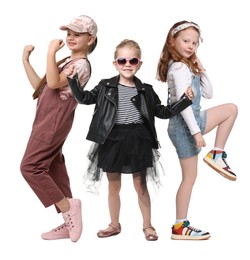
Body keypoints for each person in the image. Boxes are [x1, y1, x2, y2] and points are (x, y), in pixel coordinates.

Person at [65, 39, 193, 241]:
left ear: (139, 64)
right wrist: (72, 80)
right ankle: (114, 224)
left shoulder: (146, 90)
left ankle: (148, 225)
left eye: (133, 60)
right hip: (111, 139)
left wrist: (185, 100)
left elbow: (163, 112)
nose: (127, 64)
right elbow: (84, 99)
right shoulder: (105, 86)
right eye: (122, 60)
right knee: (113, 185)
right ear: (115, 63)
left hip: (138, 140)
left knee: (140, 185)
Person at [156, 21, 238, 240]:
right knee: (189, 178)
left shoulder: (186, 66)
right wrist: (196, 133)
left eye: (194, 42)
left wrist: (201, 70)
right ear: (172, 41)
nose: (191, 46)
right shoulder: (180, 68)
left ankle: (217, 154)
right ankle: (179, 227)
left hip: (194, 119)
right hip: (185, 125)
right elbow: (183, 107)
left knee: (230, 109)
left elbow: (209, 93)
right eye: (186, 41)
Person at [20, 15, 98, 242]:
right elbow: (41, 87)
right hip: (46, 121)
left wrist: (50, 52)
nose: (71, 38)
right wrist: (26, 61)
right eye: (69, 34)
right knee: (53, 169)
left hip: (53, 123)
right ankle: (68, 220)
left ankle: (68, 207)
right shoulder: (67, 61)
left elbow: (54, 83)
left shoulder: (80, 66)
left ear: (90, 39)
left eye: (78, 34)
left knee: (30, 167)